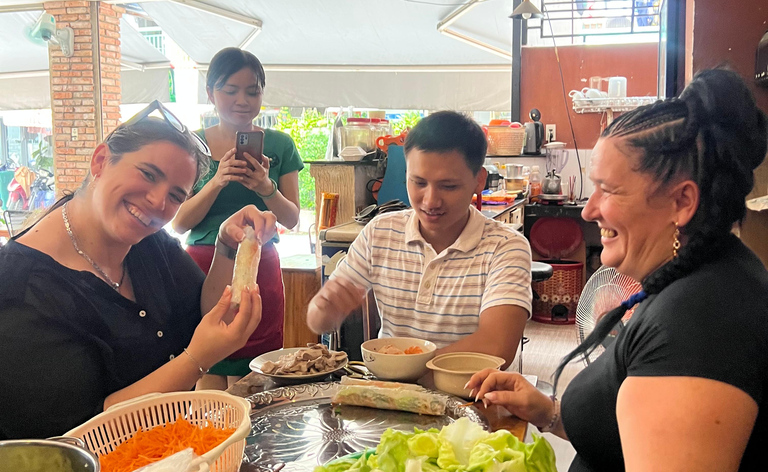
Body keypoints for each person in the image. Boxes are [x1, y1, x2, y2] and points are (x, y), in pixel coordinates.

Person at [467, 69, 768, 471]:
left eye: (607, 189)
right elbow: (628, 437)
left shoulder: (700, 323)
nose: (589, 211)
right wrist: (547, 413)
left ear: (681, 202)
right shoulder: (698, 281)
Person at [0, 101, 277, 439]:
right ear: (101, 161)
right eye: (148, 174)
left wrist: (226, 247)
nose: (159, 203)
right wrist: (198, 359)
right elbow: (78, 433)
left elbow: (206, 309)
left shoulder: (150, 245)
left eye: (176, 195)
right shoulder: (19, 288)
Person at [306, 111, 531, 367]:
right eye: (419, 182)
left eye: (448, 186)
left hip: (469, 396)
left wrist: (405, 366)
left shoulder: (505, 247)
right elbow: (319, 322)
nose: (430, 201)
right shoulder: (380, 232)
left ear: (479, 180)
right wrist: (325, 309)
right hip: (388, 393)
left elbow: (497, 345)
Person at [173, 48, 303, 389]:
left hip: (262, 264)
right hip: (203, 268)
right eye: (230, 90)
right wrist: (217, 181)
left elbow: (291, 218)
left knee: (259, 371)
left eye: (253, 90)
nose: (242, 100)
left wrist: (265, 186)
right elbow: (179, 222)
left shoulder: (280, 144)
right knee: (207, 364)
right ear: (210, 93)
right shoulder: (191, 145)